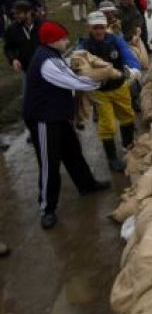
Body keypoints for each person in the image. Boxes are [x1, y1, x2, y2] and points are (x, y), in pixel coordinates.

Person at [23, 20, 111, 229]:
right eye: (63, 38)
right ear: (53, 41)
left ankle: (86, 185)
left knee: (73, 152)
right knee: (49, 163)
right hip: (43, 119)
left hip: (58, 115)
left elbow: (70, 74)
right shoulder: (46, 61)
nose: (67, 41)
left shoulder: (52, 55)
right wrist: (103, 80)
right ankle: (47, 208)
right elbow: (73, 81)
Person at [78, 11, 141, 172]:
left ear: (106, 27)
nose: (99, 31)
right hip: (100, 92)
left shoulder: (115, 40)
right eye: (95, 28)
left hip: (120, 86)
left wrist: (133, 68)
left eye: (102, 27)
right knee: (107, 125)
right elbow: (79, 65)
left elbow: (127, 55)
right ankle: (112, 158)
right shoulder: (84, 46)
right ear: (90, 28)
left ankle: (128, 145)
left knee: (127, 115)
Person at [3, 0, 41, 75]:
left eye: (18, 13)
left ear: (29, 12)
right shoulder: (12, 29)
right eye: (14, 14)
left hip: (46, 67)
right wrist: (13, 59)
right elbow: (9, 47)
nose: (15, 16)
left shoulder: (42, 25)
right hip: (27, 69)